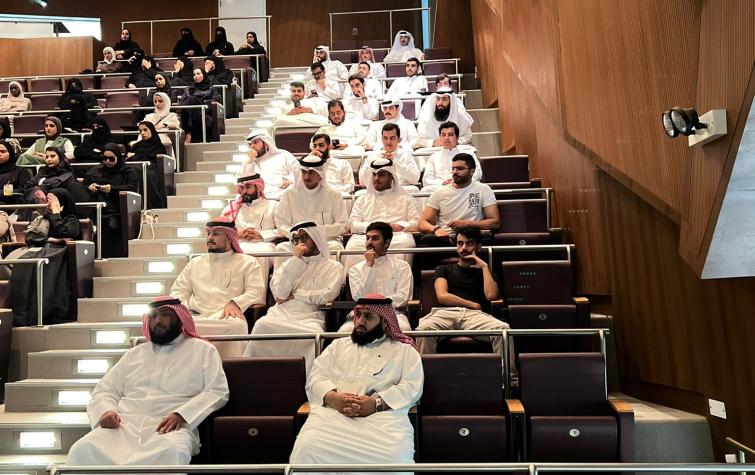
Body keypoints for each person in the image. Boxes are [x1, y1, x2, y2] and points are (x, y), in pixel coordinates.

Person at [66, 296, 229, 466]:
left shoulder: (203, 350)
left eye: (165, 315)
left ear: (180, 318)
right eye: (153, 316)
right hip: (124, 426)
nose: (158, 321)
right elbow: (106, 389)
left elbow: (217, 390)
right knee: (82, 449)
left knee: (173, 452)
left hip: (169, 428)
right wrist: (106, 410)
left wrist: (182, 415)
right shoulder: (134, 354)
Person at [289, 294, 423, 473]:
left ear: (385, 321)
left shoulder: (404, 351)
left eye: (368, 317)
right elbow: (315, 377)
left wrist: (375, 404)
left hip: (383, 420)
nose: (360, 321)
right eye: (358, 315)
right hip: (334, 417)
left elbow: (412, 387)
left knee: (395, 457)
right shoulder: (337, 346)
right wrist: (333, 398)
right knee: (306, 449)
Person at [244, 222, 343, 373]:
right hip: (280, 313)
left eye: (304, 237)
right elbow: (280, 294)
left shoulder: (333, 266)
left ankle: (302, 380)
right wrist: (296, 260)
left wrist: (296, 294)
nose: (300, 243)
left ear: (315, 238)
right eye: (296, 240)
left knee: (311, 334)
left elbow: (326, 296)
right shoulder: (287, 265)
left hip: (311, 317)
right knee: (262, 324)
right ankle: (252, 375)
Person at [170, 218, 265, 358]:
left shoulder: (247, 262)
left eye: (215, 234)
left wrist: (236, 303)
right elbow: (178, 290)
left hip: (226, 318)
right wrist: (183, 310)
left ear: (229, 236)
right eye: (208, 233)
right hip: (196, 316)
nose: (210, 238)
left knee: (236, 327)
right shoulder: (195, 263)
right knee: (177, 324)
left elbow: (256, 291)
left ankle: (230, 367)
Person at [415, 227, 509, 355]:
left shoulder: (485, 272)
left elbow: (491, 295)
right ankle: (424, 369)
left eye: (469, 243)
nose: (464, 248)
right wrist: (472, 304)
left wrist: (484, 267)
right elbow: (442, 296)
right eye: (460, 243)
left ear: (478, 246)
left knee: (503, 329)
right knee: (423, 329)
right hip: (445, 314)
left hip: (474, 316)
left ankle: (508, 369)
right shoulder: (443, 269)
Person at [6, 188, 81, 326]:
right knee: (11, 263)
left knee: (29, 265)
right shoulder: (40, 217)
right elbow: (29, 235)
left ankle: (31, 314)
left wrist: (56, 214)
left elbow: (64, 232)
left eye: (51, 201)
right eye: (47, 200)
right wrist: (50, 239)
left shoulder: (71, 219)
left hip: (55, 253)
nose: (48, 204)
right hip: (36, 248)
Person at [273, 155, 349, 262]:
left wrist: (319, 232)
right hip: (297, 241)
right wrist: (297, 234)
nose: (306, 176)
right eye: (304, 172)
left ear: (320, 174)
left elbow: (343, 225)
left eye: (311, 173)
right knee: (281, 249)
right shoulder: (289, 195)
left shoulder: (333, 195)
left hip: (326, 241)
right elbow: (281, 223)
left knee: (335, 247)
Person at [347, 158, 419, 267]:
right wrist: (375, 229)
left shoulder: (406, 199)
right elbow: (352, 224)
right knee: (352, 246)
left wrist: (400, 226)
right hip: (366, 237)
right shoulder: (362, 200)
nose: (376, 178)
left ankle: (399, 276)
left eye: (381, 175)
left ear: (391, 176)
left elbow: (416, 222)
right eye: (374, 175)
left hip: (396, 236)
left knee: (404, 243)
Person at [343, 222, 413, 331]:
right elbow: (359, 297)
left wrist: (377, 307)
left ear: (386, 243)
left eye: (375, 238)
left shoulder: (402, 266)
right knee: (344, 331)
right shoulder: (355, 269)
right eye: (368, 238)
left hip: (393, 314)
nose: (370, 242)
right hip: (363, 315)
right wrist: (369, 267)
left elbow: (402, 298)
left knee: (404, 329)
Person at [418, 153, 499, 246]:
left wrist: (468, 224)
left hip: (471, 236)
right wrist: (436, 229)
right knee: (427, 240)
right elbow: (423, 223)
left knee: (487, 237)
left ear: (472, 171)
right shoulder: (439, 192)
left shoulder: (483, 189)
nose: (455, 172)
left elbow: (494, 222)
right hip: (446, 237)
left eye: (460, 168)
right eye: (453, 168)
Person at [82, 143, 139, 257]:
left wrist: (112, 189)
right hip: (97, 204)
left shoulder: (128, 171)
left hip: (117, 207)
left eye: (111, 159)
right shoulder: (97, 170)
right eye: (105, 158)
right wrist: (90, 187)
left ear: (118, 157)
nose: (107, 161)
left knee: (105, 221)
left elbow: (132, 188)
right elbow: (85, 183)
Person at [221, 173, 278, 282]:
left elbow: (282, 230)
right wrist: (237, 234)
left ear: (258, 187)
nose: (244, 191)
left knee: (262, 254)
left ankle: (259, 293)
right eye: (241, 188)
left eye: (248, 187)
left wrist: (261, 234)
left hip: (264, 245)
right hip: (239, 245)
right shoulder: (232, 208)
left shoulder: (273, 206)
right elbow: (221, 230)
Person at [237, 131, 299, 200]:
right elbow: (243, 181)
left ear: (265, 143)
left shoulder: (283, 155)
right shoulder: (249, 162)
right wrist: (250, 160)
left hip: (281, 199)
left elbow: (298, 172)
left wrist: (290, 181)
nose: (252, 146)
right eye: (250, 144)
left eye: (255, 142)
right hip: (260, 202)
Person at [360, 123, 420, 192]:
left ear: (399, 140)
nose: (388, 142)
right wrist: (377, 163)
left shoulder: (406, 156)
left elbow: (415, 179)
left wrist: (396, 163)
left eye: (392, 138)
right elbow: (362, 181)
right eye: (385, 138)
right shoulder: (373, 156)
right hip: (378, 192)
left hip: (401, 191)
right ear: (382, 139)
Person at [421, 122, 481, 191]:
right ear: (440, 138)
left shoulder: (468, 154)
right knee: (425, 190)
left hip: (463, 186)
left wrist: (459, 182)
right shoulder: (433, 157)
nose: (446, 138)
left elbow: (477, 174)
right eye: (443, 135)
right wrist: (443, 183)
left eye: (450, 135)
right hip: (441, 188)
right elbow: (426, 180)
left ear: (457, 138)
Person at [127, 121, 167, 210]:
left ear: (151, 130)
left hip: (151, 168)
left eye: (145, 130)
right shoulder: (136, 146)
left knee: (146, 175)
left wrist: (136, 156)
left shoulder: (158, 146)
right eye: (140, 131)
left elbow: (152, 158)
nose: (142, 133)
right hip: (135, 167)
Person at [179, 68, 220, 144]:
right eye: (194, 75)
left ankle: (189, 133)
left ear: (204, 75)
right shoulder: (189, 89)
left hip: (205, 110)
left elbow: (215, 100)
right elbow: (182, 102)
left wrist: (203, 102)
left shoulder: (211, 88)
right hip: (194, 114)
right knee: (190, 101)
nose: (195, 76)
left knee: (192, 99)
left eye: (198, 74)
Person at [0, 140, 32, 205]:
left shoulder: (20, 171)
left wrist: (2, 192)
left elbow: (22, 191)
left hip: (10, 205)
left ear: (10, 153)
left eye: (3, 151)